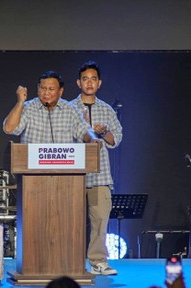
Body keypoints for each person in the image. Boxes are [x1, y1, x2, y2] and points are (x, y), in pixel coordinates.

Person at [71, 60, 123, 276]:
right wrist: (82, 129)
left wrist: (103, 133)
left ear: (99, 83)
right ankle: (69, 261)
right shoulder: (69, 108)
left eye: (93, 79)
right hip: (72, 175)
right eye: (85, 79)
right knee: (69, 221)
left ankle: (98, 261)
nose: (89, 83)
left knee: (100, 220)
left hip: (99, 175)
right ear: (78, 82)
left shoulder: (107, 109)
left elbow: (116, 139)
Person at [2, 70, 97, 145]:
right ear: (38, 88)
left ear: (60, 92)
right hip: (32, 167)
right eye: (43, 88)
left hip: (62, 167)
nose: (46, 93)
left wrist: (93, 139)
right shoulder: (28, 107)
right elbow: (9, 129)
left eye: (51, 89)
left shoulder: (70, 110)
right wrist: (20, 102)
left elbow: (84, 130)